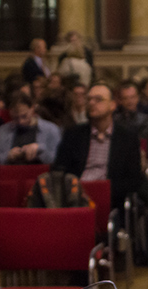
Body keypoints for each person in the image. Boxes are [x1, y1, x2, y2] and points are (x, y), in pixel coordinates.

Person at [53, 82, 142, 211]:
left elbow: (133, 180)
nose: (92, 103)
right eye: (89, 99)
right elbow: (60, 170)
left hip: (111, 200)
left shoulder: (127, 137)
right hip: (76, 199)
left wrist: (102, 191)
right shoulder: (74, 134)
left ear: (112, 105)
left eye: (98, 100)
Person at [0, 92, 61, 165]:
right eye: (15, 118)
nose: (21, 121)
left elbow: (58, 159)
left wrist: (40, 149)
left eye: (24, 116)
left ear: (32, 108)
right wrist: (8, 155)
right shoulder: (4, 130)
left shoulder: (51, 129)